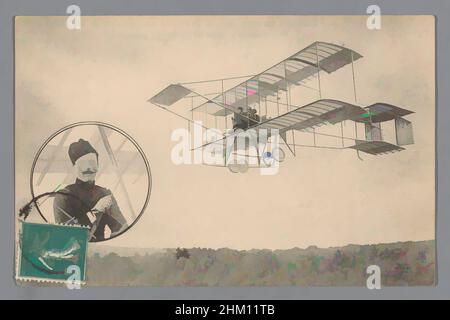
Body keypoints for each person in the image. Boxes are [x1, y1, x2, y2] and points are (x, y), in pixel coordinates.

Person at [53, 139, 128, 241]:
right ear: (74, 167)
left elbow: (122, 229)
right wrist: (96, 211)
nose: (88, 168)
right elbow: (66, 235)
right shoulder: (63, 196)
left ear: (98, 166)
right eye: (83, 163)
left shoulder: (105, 194)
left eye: (92, 163)